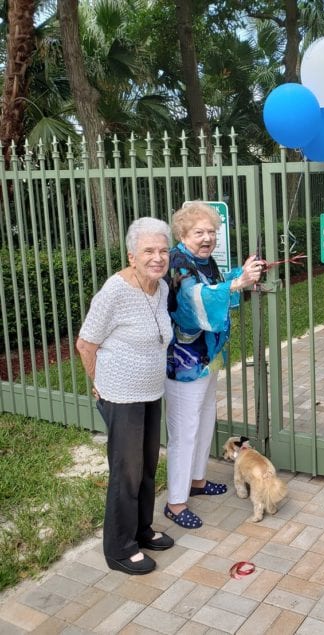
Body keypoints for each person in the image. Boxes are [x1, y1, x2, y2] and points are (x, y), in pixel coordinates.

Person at [76, 217, 174, 576]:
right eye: (149, 251)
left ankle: (141, 530)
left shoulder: (160, 288)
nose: (157, 257)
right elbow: (85, 343)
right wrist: (98, 383)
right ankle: (119, 548)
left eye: (163, 250)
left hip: (150, 390)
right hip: (121, 395)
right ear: (132, 255)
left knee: (147, 466)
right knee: (126, 472)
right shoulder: (114, 292)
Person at [163, 200, 263, 529]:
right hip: (184, 363)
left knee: (205, 419)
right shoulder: (178, 262)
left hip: (207, 358)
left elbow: (217, 287)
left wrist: (241, 274)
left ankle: (197, 482)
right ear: (182, 233)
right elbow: (194, 302)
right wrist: (237, 283)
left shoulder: (203, 260)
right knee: (184, 431)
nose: (207, 238)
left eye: (211, 232)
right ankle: (176, 504)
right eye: (199, 232)